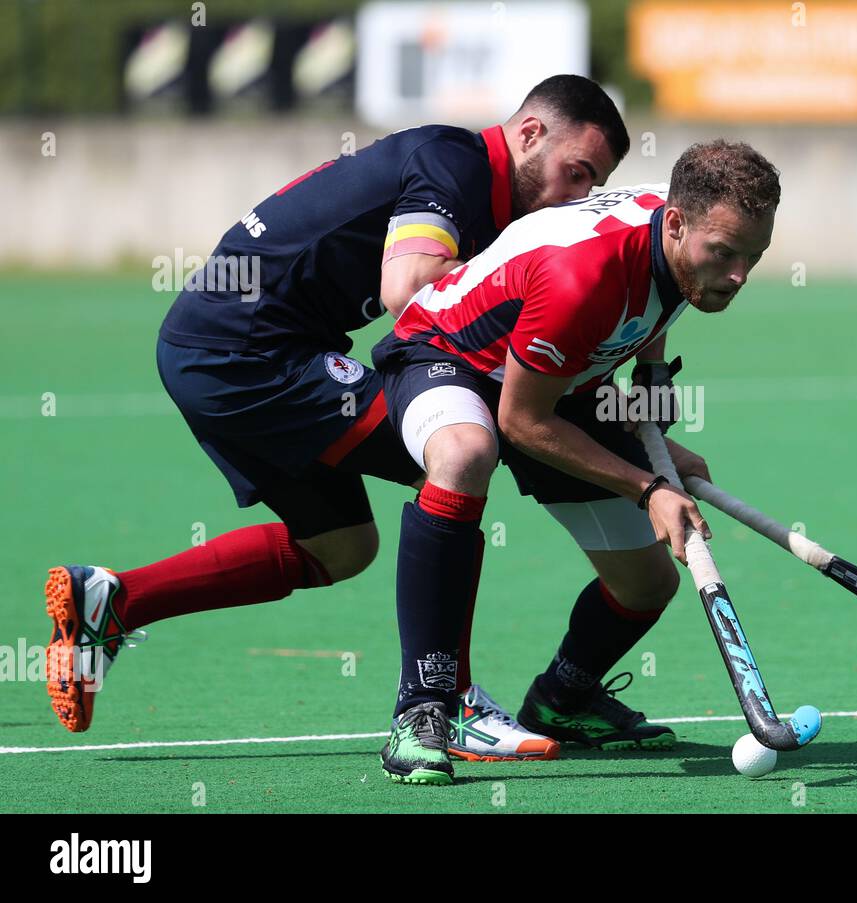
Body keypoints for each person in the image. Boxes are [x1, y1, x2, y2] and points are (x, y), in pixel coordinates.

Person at [44, 76, 629, 766]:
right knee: (460, 445)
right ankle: (450, 700)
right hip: (247, 353)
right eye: (575, 173)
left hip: (225, 347)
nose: (574, 196)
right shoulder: (459, 166)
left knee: (343, 546)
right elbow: (407, 287)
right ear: (531, 134)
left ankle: (114, 601)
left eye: (591, 187)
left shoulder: (477, 181)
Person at [370, 140, 780, 785]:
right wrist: (649, 489)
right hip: (449, 356)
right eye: (724, 255)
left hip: (559, 376)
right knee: (465, 453)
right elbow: (521, 421)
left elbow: (656, 293)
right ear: (675, 223)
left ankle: (562, 701)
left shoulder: (681, 241)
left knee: (648, 584)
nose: (737, 276)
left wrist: (647, 379)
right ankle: (424, 709)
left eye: (752, 258)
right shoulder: (581, 277)